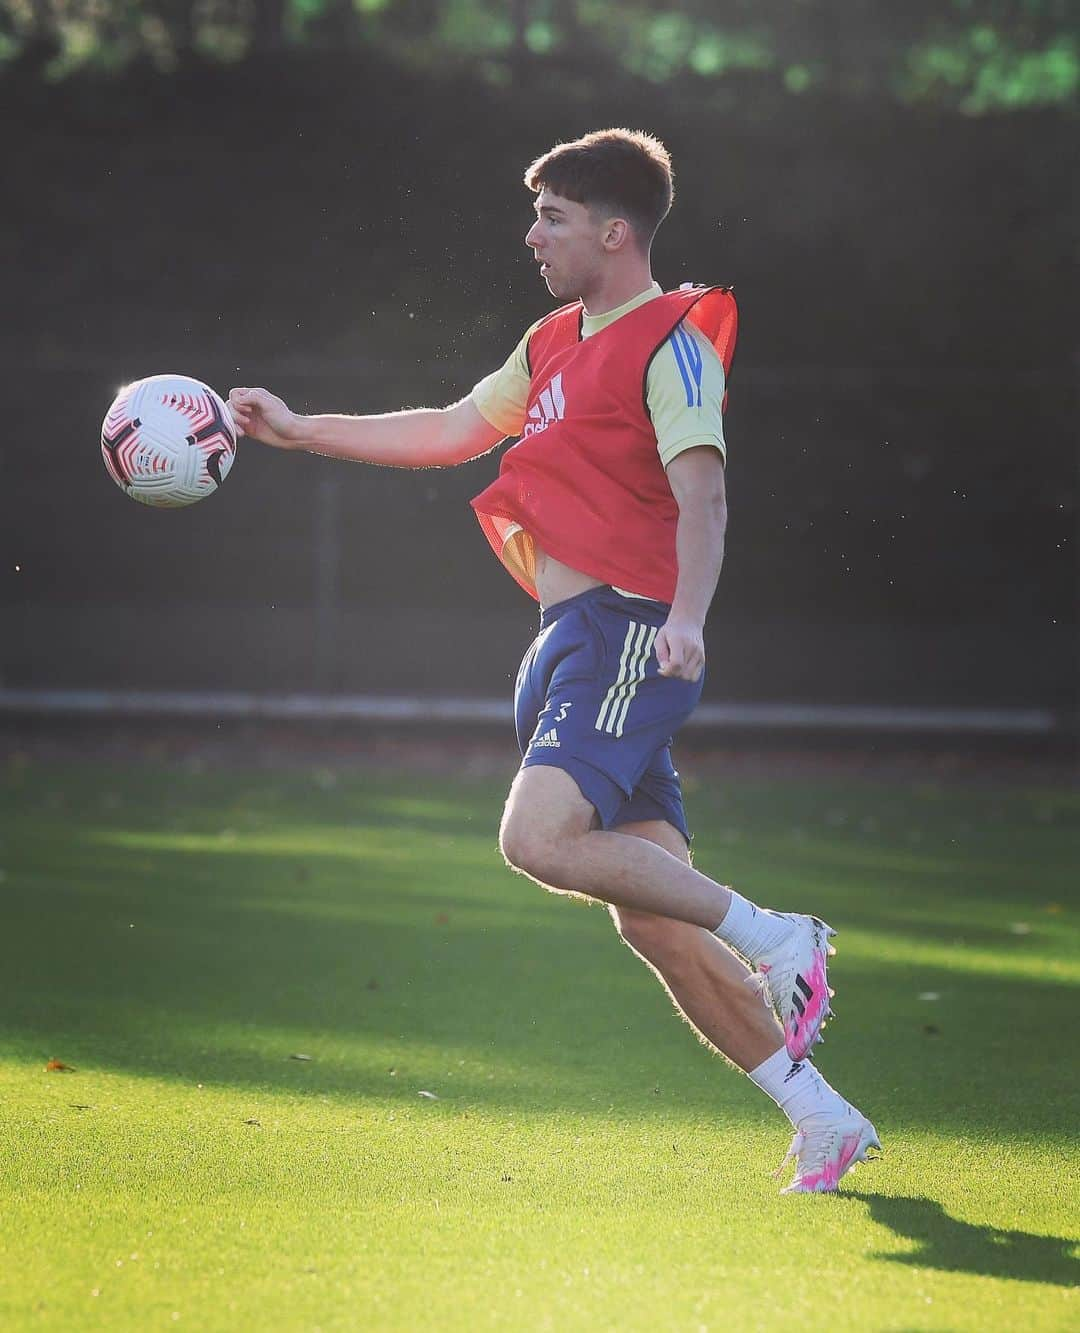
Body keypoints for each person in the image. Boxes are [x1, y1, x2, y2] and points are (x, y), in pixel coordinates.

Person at [229, 128, 879, 1193]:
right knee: (651, 918)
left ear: (615, 232)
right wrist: (301, 432)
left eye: (555, 218)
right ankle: (823, 1115)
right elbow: (450, 426)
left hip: (629, 632)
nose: (533, 235)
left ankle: (779, 932)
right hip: (569, 641)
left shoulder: (671, 344)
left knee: (534, 838)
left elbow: (704, 493)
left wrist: (690, 615)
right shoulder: (549, 343)